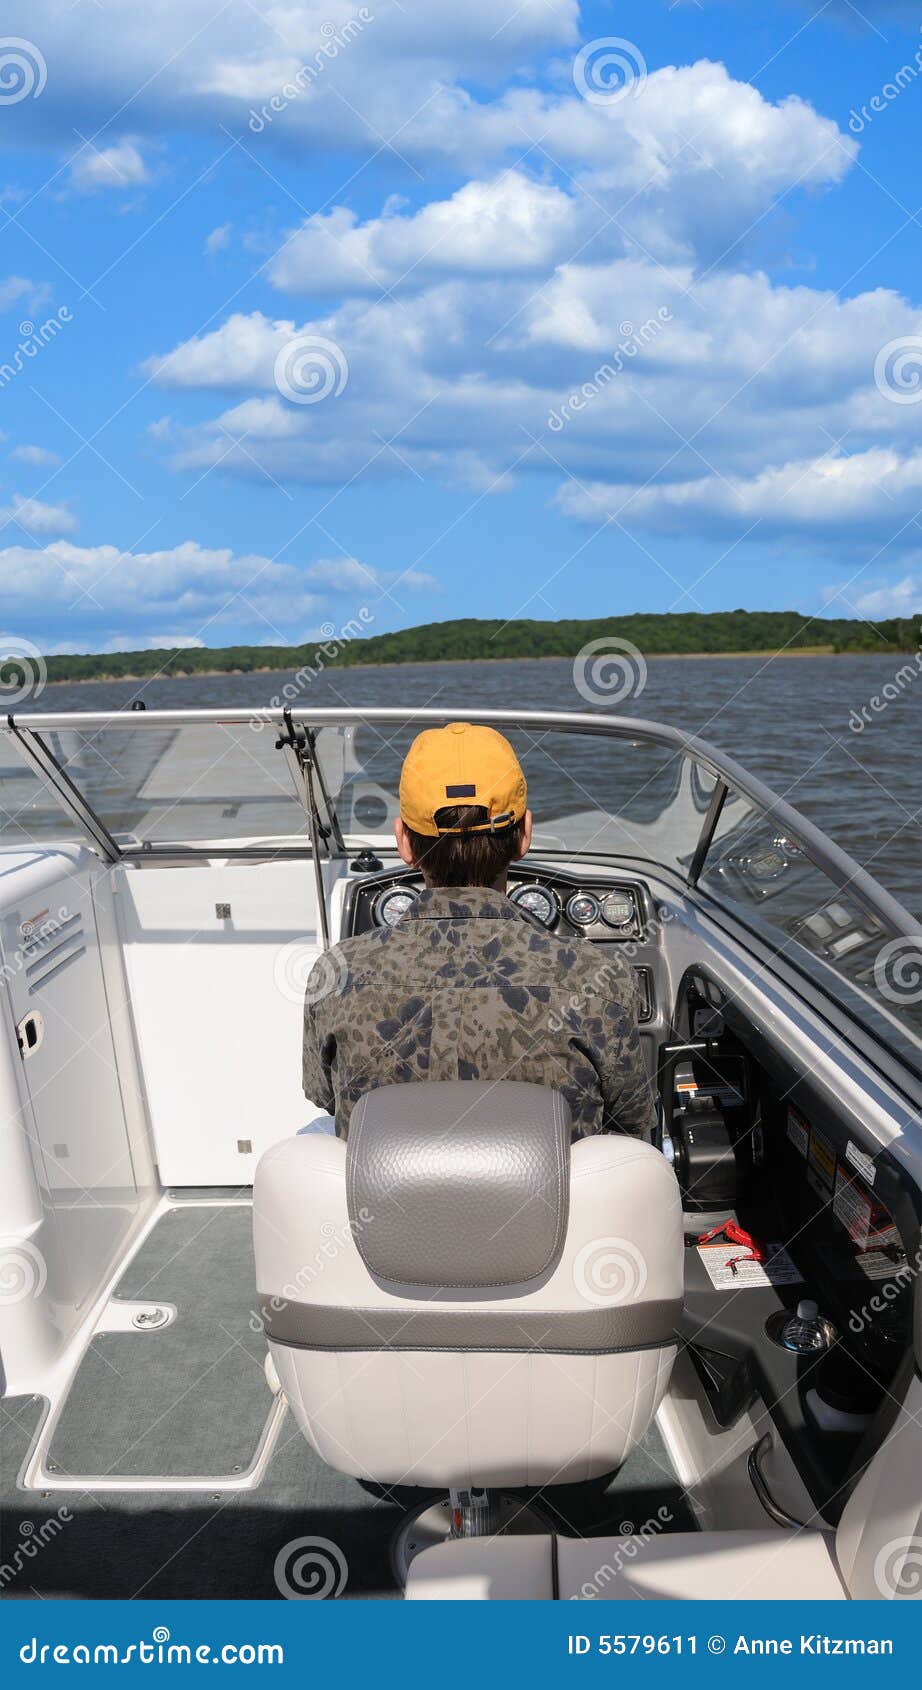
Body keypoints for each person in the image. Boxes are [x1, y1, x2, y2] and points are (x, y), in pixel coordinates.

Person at [301, 721, 655, 1139]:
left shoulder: (336, 973)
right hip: (554, 1204)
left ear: (404, 843)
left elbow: (327, 1096)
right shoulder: (601, 979)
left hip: (389, 1202)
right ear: (523, 834)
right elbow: (631, 1117)